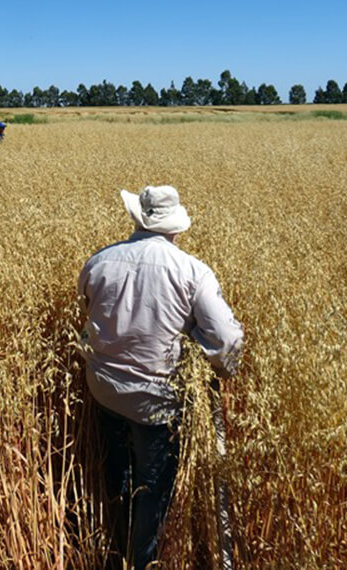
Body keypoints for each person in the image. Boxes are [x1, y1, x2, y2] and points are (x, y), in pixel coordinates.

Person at [77, 185, 244, 569]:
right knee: (152, 488)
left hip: (102, 387)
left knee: (117, 469)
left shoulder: (100, 260)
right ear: (176, 228)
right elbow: (227, 338)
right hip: (155, 402)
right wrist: (215, 363)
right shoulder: (191, 270)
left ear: (136, 219)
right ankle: (140, 561)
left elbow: (86, 309)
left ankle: (114, 546)